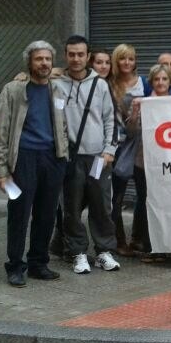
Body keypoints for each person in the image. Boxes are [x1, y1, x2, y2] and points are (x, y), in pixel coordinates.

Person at [0, 41, 68, 287]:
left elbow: (62, 125)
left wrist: (62, 155)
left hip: (52, 159)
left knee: (46, 214)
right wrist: (0, 171)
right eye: (38, 59)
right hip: (23, 158)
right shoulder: (12, 90)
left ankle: (38, 263)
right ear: (29, 62)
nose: (44, 63)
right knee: (19, 214)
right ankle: (15, 266)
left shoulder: (57, 90)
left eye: (47, 59)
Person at [54, 35, 120, 274]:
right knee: (71, 207)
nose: (76, 58)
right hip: (70, 158)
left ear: (88, 56)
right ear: (65, 55)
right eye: (71, 54)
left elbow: (109, 119)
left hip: (97, 157)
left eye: (80, 54)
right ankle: (78, 253)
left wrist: (109, 151)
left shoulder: (100, 84)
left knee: (101, 205)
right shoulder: (56, 84)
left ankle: (104, 251)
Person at [123, 64, 171, 262]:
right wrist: (135, 112)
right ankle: (148, 245)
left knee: (166, 203)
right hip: (143, 163)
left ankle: (165, 244)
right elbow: (131, 132)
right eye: (157, 79)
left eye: (164, 79)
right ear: (151, 82)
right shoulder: (142, 102)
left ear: (170, 82)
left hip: (168, 164)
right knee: (146, 203)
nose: (160, 83)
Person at [108, 44, 147, 256]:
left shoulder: (145, 83)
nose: (127, 63)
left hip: (141, 145)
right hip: (118, 146)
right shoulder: (109, 84)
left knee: (144, 194)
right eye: (123, 59)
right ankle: (118, 241)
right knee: (117, 197)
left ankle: (138, 239)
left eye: (131, 59)